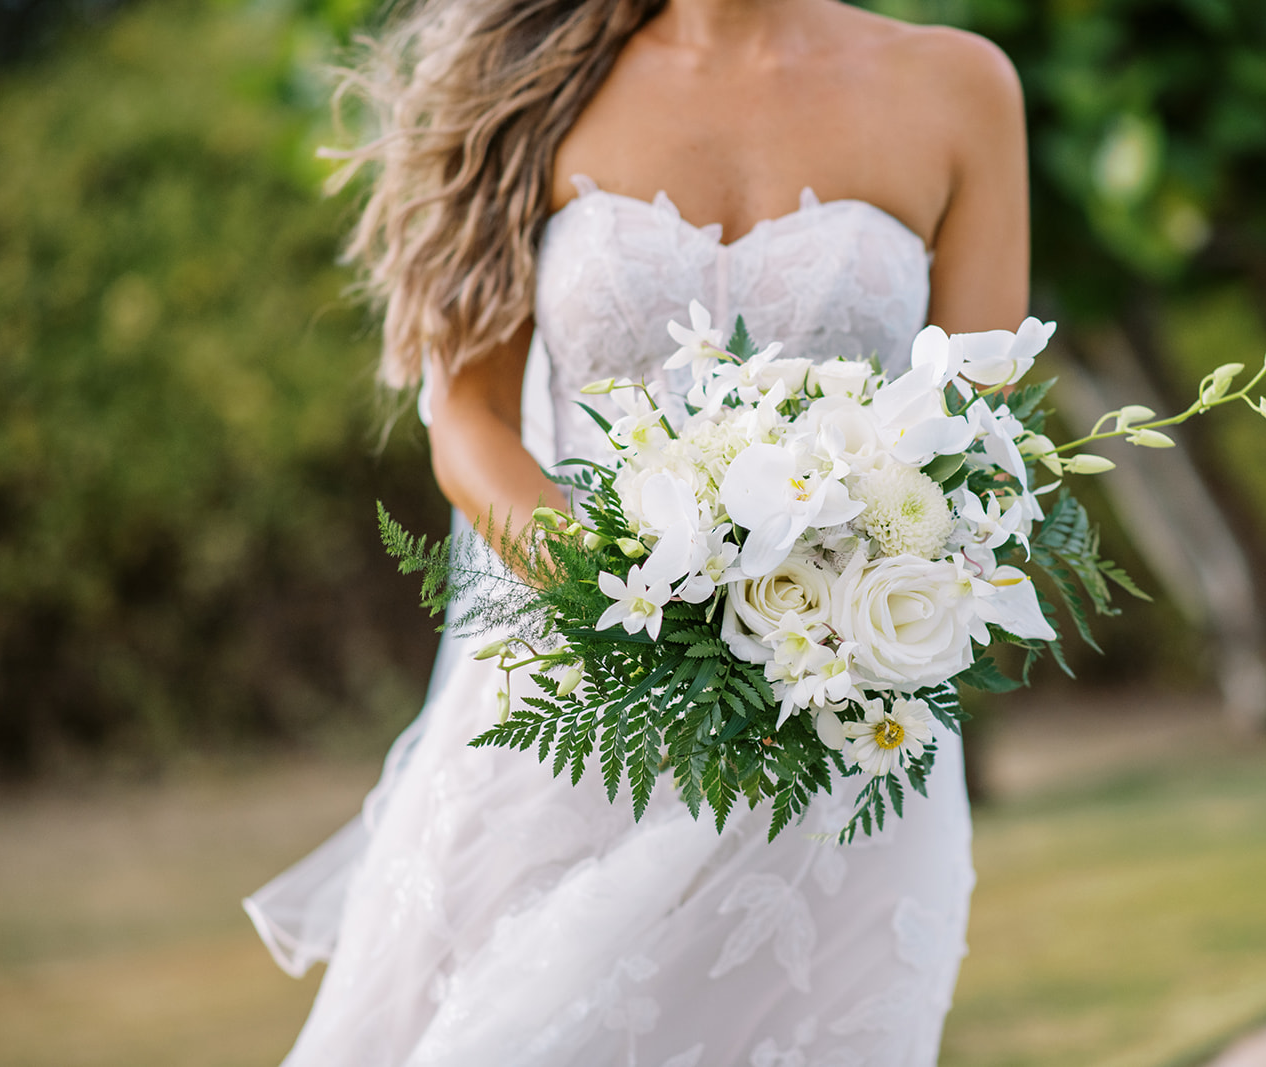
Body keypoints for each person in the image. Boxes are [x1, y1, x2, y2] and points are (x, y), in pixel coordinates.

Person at [245, 0, 1029, 1062]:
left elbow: (976, 434)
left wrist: (839, 611)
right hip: (574, 708)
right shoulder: (527, 78)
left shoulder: (957, 85)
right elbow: (471, 419)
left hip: (838, 726)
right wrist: (612, 593)